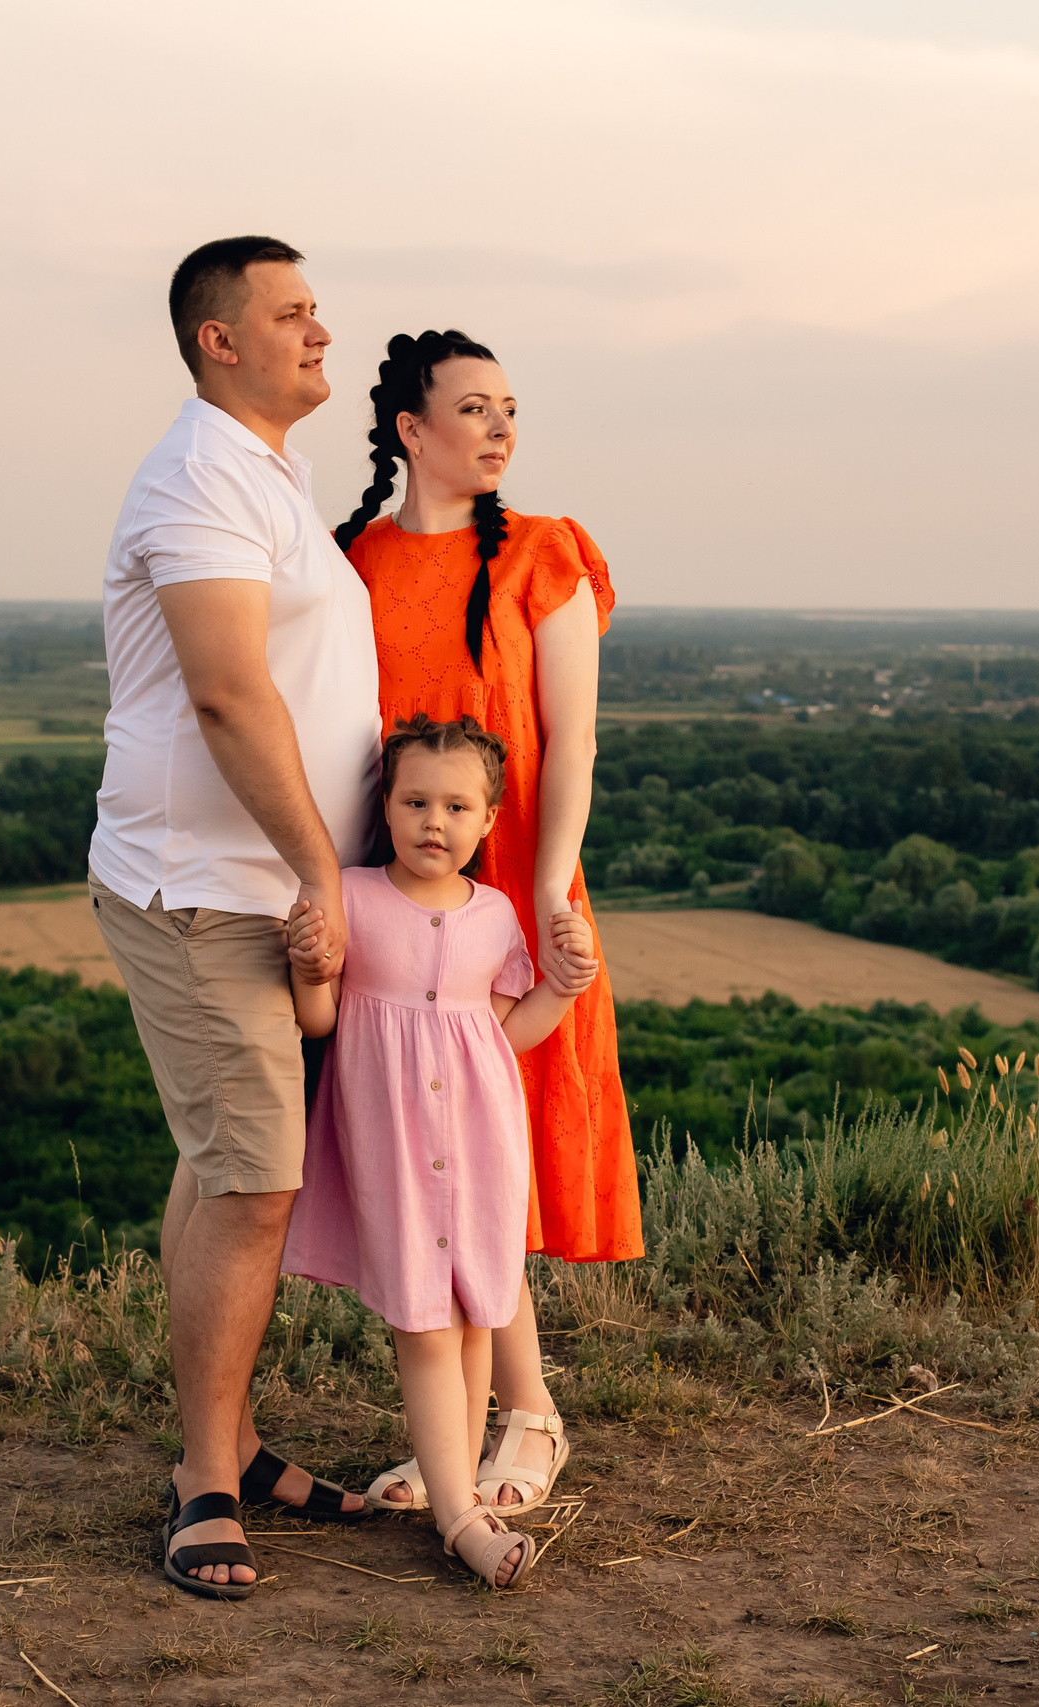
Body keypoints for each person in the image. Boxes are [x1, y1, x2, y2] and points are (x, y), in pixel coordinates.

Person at [87, 236, 381, 1600]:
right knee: (257, 1173)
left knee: (221, 1163)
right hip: (201, 887)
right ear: (221, 339)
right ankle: (205, 1476)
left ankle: (241, 1441)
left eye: (318, 309)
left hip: (252, 884)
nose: (321, 330)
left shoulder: (271, 473)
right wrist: (323, 870)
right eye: (293, 313)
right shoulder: (201, 473)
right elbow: (224, 691)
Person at [318, 329, 639, 1516]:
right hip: (397, 896)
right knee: (425, 1159)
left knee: (502, 1152)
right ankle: (456, 1434)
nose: (501, 429)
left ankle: (533, 1414)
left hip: (515, 884)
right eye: (473, 408)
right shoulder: (351, 559)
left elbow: (574, 743)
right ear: (411, 430)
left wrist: (548, 890)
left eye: (510, 408)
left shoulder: (546, 557)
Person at [280, 715, 598, 1586]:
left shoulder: (495, 914)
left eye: (458, 806)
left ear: (489, 820)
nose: (434, 821)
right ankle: (461, 1517)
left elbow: (509, 1030)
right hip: (391, 1147)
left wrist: (562, 988)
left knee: (469, 1317)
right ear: (386, 803)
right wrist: (311, 967)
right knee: (426, 1322)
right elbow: (323, 1022)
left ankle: (447, 1473)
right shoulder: (352, 894)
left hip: (482, 1142)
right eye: (416, 800)